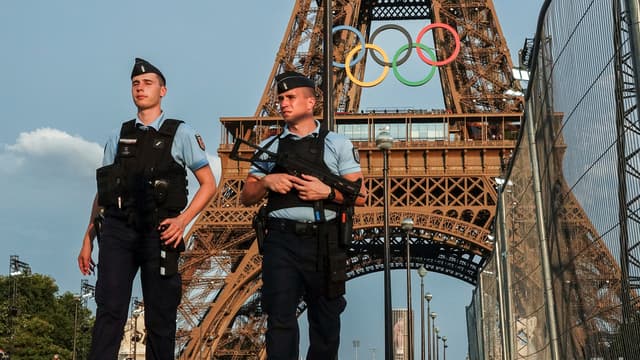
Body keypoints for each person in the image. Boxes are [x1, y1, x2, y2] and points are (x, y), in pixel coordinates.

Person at [77, 58, 216, 359]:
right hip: (117, 230)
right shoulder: (118, 135)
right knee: (109, 311)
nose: (140, 88)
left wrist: (182, 221)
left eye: (148, 83)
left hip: (161, 232)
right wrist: (88, 237)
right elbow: (103, 192)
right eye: (136, 84)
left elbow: (209, 183)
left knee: (161, 316)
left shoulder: (181, 134)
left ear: (163, 91)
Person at [239, 71, 366, 360]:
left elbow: (360, 194)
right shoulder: (269, 148)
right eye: (281, 98)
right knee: (279, 319)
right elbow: (246, 196)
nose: (283, 103)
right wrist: (266, 183)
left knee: (325, 322)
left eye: (290, 98)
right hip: (281, 240)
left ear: (310, 103)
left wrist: (327, 192)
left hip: (324, 240)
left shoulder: (338, 144)